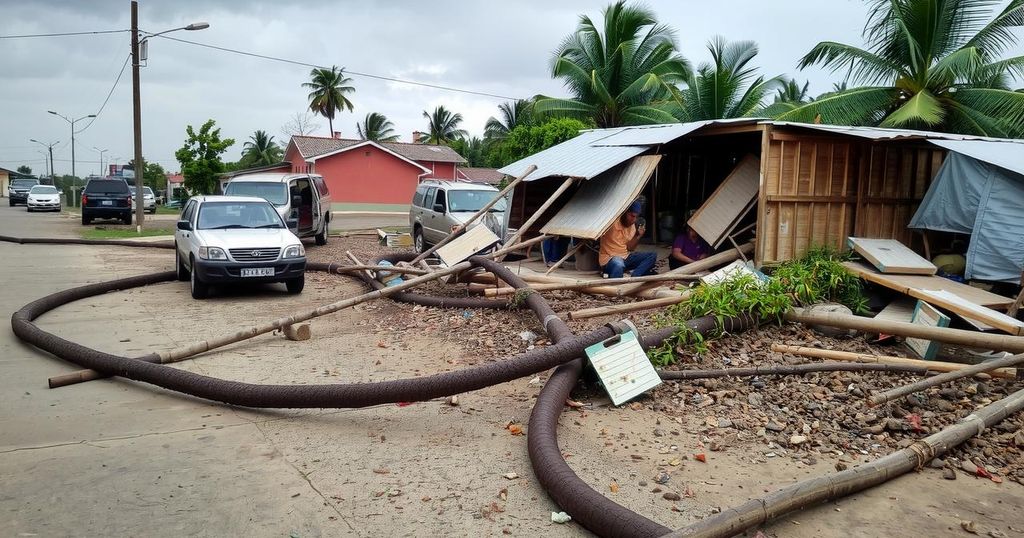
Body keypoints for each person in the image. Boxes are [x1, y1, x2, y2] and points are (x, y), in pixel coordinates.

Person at [599, 201, 656, 278]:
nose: (634, 220)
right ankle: (617, 282)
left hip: (625, 257)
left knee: (652, 255)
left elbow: (629, 248)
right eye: (632, 216)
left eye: (636, 217)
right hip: (610, 259)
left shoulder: (632, 227)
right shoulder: (611, 222)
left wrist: (638, 236)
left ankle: (635, 276)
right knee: (618, 264)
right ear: (625, 213)